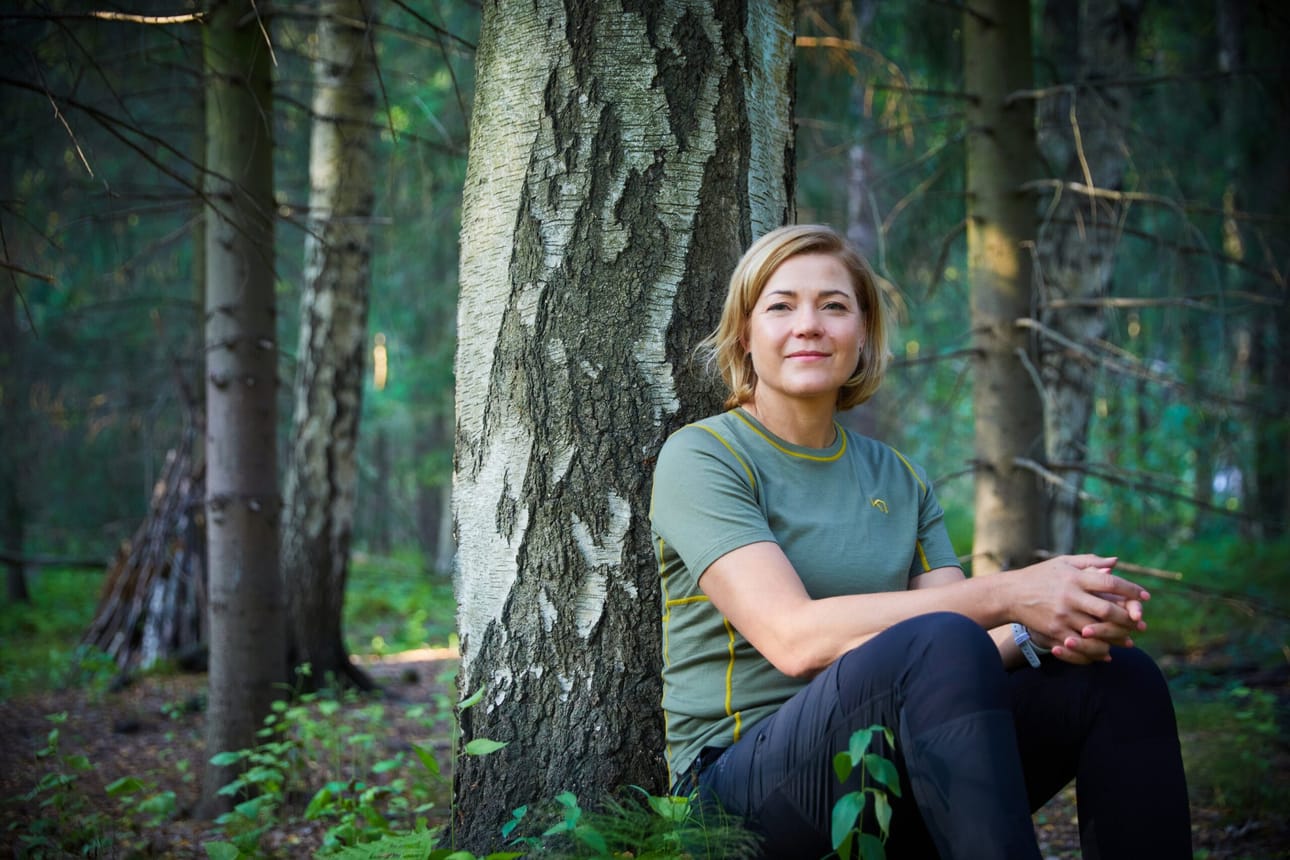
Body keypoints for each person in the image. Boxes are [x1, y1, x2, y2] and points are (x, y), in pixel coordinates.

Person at [649, 224, 1191, 859]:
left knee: (1116, 676)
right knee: (938, 632)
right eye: (780, 305)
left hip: (882, 763)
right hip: (738, 791)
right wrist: (1015, 591)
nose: (809, 325)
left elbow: (962, 660)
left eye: (834, 305)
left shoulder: (898, 478)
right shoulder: (704, 456)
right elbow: (793, 639)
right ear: (746, 334)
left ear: (862, 334)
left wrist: (1044, 628)